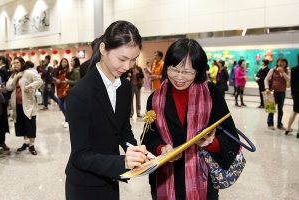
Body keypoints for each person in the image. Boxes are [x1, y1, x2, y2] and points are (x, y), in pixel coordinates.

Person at [142, 38, 239, 200]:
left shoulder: (211, 94)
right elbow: (148, 137)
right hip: (165, 181)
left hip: (203, 181)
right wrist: (161, 149)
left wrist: (212, 143)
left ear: (198, 71)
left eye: (187, 72)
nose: (179, 77)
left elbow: (231, 137)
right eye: (174, 69)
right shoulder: (155, 98)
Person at [65, 20, 151, 200]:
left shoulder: (125, 87)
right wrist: (122, 162)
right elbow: (80, 156)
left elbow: (123, 131)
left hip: (111, 180)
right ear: (103, 49)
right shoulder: (80, 93)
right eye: (121, 59)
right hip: (84, 185)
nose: (127, 66)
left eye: (133, 59)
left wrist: (136, 150)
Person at [6, 57, 43, 155]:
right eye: (14, 63)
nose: (15, 64)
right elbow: (8, 87)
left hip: (28, 104)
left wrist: (29, 86)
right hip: (17, 105)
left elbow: (39, 81)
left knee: (30, 124)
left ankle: (32, 145)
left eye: (17, 62)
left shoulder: (28, 73)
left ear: (22, 63)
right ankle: (26, 142)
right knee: (21, 125)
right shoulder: (14, 74)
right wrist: (15, 77)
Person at [264, 58, 290, 130]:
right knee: (271, 109)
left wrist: (283, 72)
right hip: (273, 92)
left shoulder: (287, 71)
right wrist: (267, 88)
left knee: (280, 109)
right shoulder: (272, 70)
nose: (281, 63)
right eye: (280, 62)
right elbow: (266, 79)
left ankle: (279, 124)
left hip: (282, 92)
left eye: (283, 62)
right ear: (277, 63)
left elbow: (288, 80)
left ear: (286, 64)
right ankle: (270, 123)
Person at [286, 54, 299, 138]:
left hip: (297, 92)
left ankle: (288, 128)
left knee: (294, 111)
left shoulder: (294, 69)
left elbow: (292, 83)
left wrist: (292, 94)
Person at [54, 58, 70, 128]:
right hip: (59, 90)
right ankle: (67, 119)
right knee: (60, 105)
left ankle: (67, 120)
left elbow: (69, 82)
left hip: (66, 91)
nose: (64, 63)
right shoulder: (58, 71)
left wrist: (66, 91)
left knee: (65, 107)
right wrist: (56, 82)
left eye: (65, 62)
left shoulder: (69, 71)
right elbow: (55, 81)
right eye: (63, 62)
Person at [0, 75, 10, 151]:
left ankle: (2, 142)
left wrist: (4, 89)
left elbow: (4, 90)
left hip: (1, 103)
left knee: (3, 124)